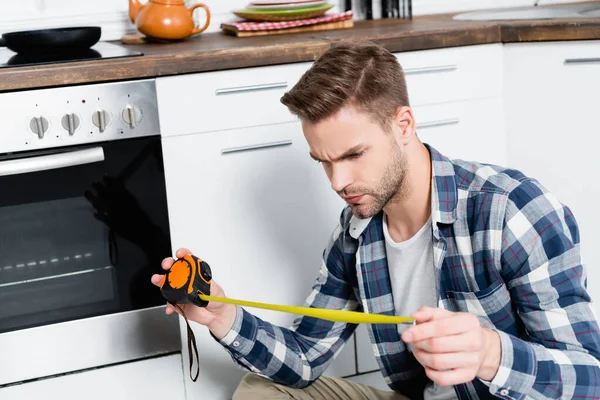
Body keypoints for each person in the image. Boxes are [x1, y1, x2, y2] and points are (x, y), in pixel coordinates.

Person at [151, 42, 600, 399]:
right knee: (260, 393)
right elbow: (305, 360)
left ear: (403, 125)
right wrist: (223, 317)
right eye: (323, 162)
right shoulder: (354, 237)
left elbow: (590, 380)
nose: (338, 181)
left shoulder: (510, 210)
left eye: (353, 155)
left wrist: (490, 354)